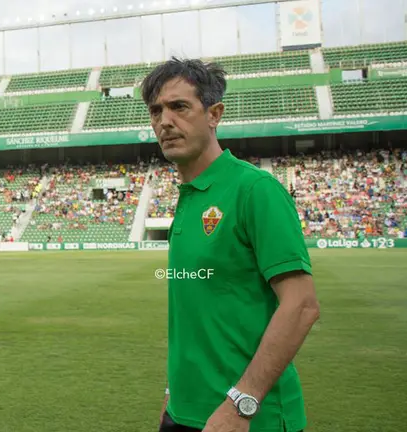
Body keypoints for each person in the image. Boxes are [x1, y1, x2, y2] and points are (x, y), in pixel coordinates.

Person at [142, 57, 321, 432]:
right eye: (156, 111)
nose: (164, 121)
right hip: (184, 412)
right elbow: (201, 313)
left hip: (248, 418)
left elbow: (302, 306)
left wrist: (241, 405)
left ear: (214, 114)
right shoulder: (189, 197)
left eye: (179, 107)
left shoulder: (255, 190)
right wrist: (175, 389)